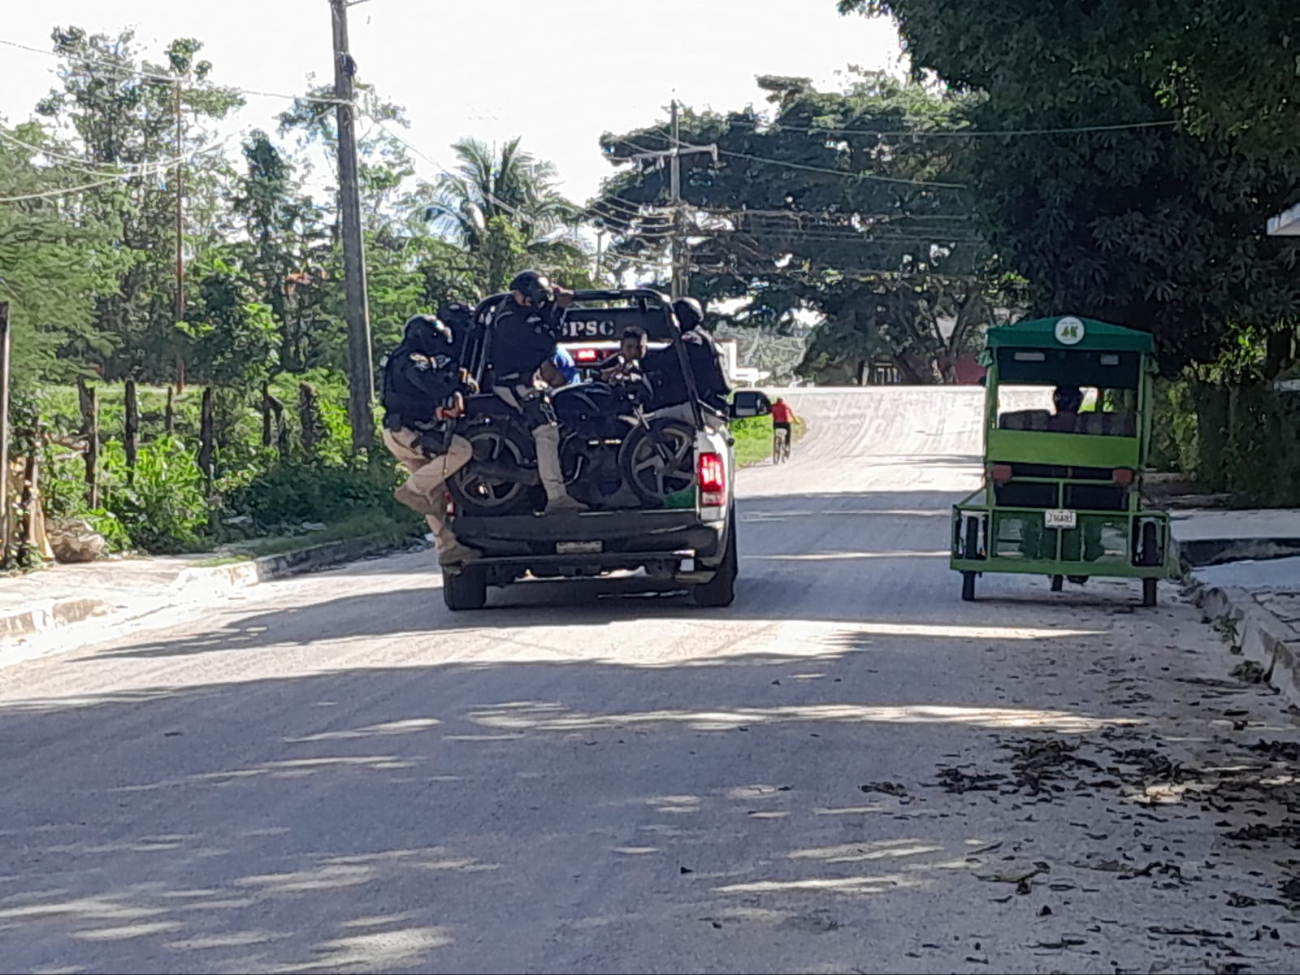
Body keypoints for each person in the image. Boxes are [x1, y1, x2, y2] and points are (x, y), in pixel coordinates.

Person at [380, 314, 479, 566]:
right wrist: (458, 382)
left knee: (433, 490)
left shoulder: (400, 358)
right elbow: (431, 385)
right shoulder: (412, 361)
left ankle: (448, 547)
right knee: (460, 450)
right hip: (409, 433)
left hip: (400, 431)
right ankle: (410, 490)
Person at [488, 269, 587, 513]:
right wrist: (561, 309)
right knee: (546, 431)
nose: (537, 304)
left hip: (524, 380)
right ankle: (556, 497)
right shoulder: (509, 320)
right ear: (518, 296)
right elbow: (546, 341)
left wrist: (554, 302)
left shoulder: (516, 312)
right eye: (534, 299)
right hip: (511, 382)